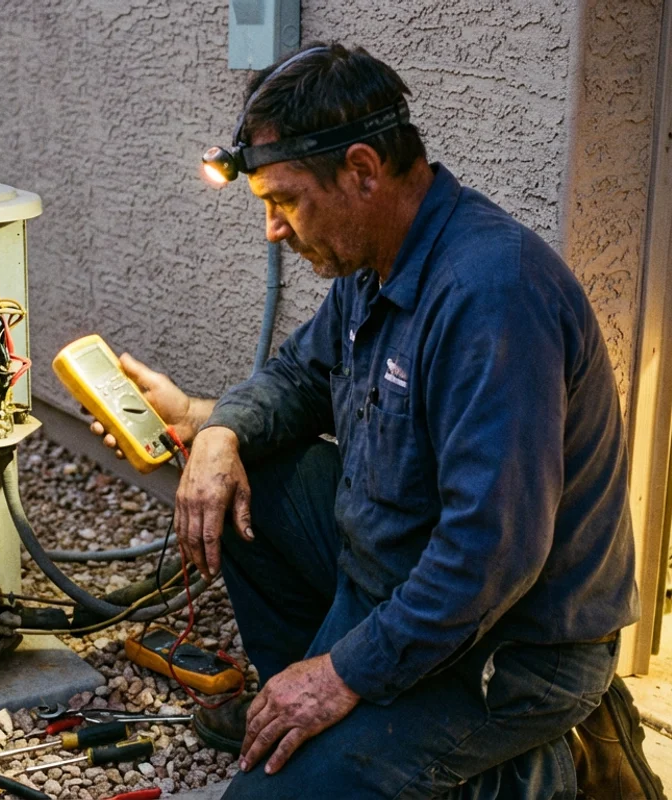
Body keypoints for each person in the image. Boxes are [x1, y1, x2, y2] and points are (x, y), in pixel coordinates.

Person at [90, 42, 665, 799]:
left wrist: (338, 678)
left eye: (284, 201)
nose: (272, 229)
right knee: (243, 470)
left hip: (509, 647)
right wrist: (217, 430)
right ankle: (312, 723)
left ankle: (546, 761)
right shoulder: (375, 263)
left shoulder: (492, 299)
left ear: (362, 169)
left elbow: (488, 556)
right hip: (397, 582)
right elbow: (298, 377)